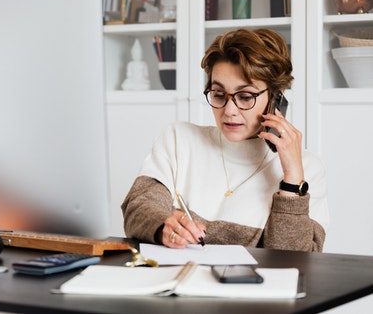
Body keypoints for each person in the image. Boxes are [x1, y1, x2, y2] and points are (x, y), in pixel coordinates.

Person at [121, 28, 328, 252]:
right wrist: (164, 226)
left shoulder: (306, 169)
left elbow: (292, 260)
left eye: (245, 96)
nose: (229, 110)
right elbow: (138, 208)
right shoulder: (179, 140)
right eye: (219, 94)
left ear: (275, 97)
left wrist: (291, 181)